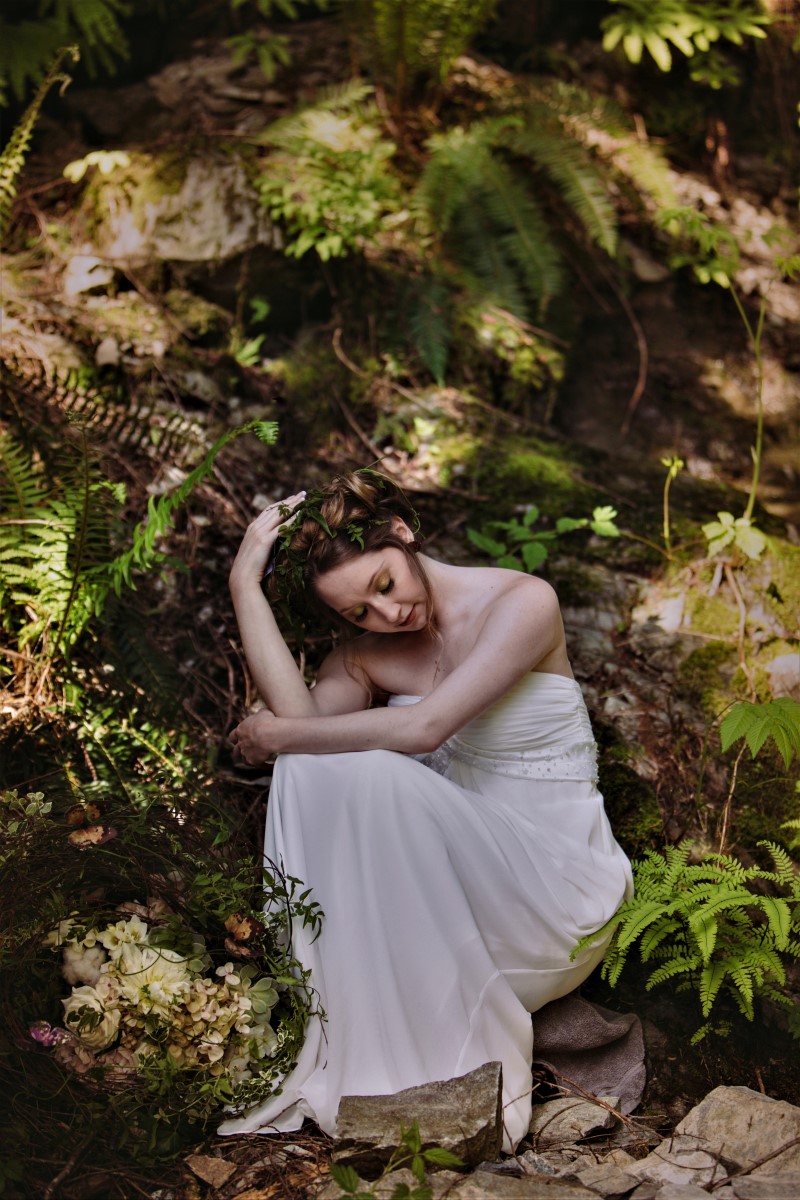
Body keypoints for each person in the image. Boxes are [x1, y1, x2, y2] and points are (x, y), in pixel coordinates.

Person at [220, 469, 632, 1151]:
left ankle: (453, 1081)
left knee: (377, 770)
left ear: (402, 532)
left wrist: (280, 734)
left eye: (385, 584)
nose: (387, 615)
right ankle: (363, 1041)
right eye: (359, 613)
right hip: (454, 894)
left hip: (555, 890)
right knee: (310, 763)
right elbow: (307, 746)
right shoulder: (367, 655)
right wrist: (244, 586)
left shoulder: (523, 603)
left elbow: (424, 729)